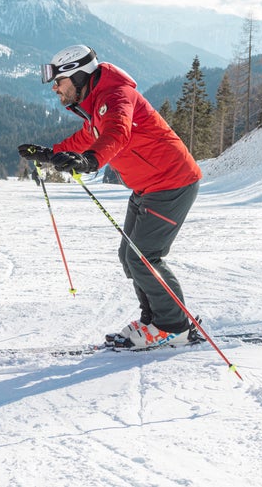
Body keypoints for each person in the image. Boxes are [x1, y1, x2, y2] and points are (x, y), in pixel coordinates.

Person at [17, 45, 203, 350]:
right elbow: (88, 136)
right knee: (130, 258)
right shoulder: (97, 103)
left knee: (144, 257)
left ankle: (174, 326)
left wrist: (90, 161)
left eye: (59, 81)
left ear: (78, 77)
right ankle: (154, 320)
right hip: (148, 187)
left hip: (172, 184)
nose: (55, 88)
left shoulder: (116, 97)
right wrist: (51, 154)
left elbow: (117, 133)